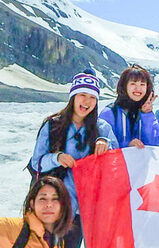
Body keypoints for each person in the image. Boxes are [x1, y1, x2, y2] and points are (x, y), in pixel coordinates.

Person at [29, 69, 119, 248]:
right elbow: (36, 163)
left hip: (88, 208)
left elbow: (116, 163)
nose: (87, 101)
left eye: (92, 97)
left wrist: (105, 144)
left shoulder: (103, 129)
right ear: (73, 97)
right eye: (82, 95)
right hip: (57, 207)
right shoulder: (53, 125)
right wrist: (57, 158)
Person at [100, 64, 159, 149]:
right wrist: (127, 146)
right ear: (124, 86)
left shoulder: (146, 113)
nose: (138, 89)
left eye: (142, 84)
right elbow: (103, 147)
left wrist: (146, 115)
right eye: (133, 84)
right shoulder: (109, 113)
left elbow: (153, 144)